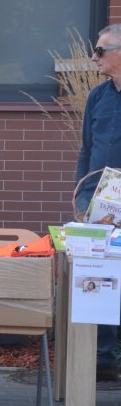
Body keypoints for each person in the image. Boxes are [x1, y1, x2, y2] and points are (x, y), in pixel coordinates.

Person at [75, 24, 121, 382]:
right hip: (101, 204)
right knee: (101, 278)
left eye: (100, 51)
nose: (94, 58)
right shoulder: (97, 96)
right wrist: (82, 197)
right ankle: (102, 359)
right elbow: (87, 151)